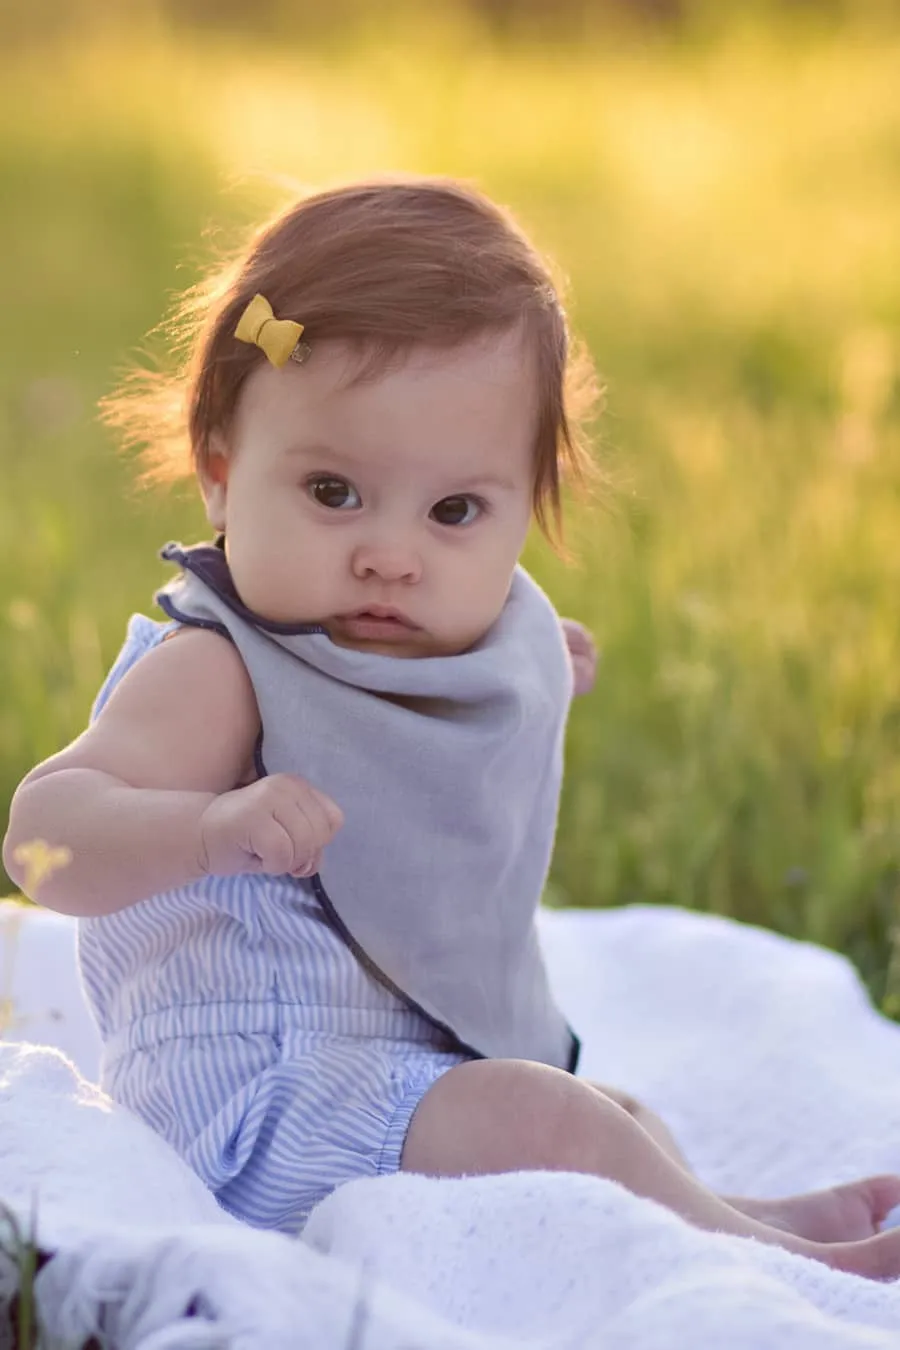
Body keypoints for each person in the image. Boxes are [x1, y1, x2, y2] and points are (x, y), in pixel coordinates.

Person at [5, 176, 900, 1279]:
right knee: (542, 1119)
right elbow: (39, 839)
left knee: (594, 1110)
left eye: (454, 513)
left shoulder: (422, 645)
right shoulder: (223, 672)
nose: (393, 553)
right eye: (334, 492)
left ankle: (721, 1209)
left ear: (526, 508)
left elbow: (416, 743)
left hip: (400, 1075)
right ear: (222, 473)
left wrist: (517, 671)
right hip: (259, 1112)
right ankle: (764, 1260)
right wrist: (204, 829)